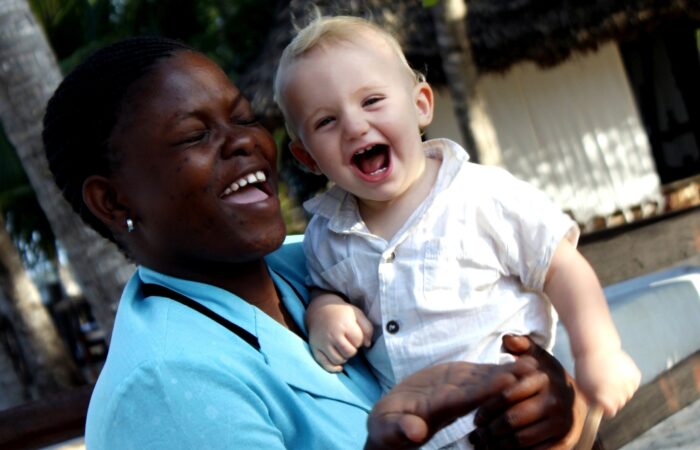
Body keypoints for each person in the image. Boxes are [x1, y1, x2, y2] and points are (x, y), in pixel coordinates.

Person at [43, 36, 586, 449]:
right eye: (195, 135)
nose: (246, 144)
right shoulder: (163, 387)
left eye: (245, 118)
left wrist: (548, 404)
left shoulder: (328, 257)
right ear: (113, 203)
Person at [273, 15, 641, 449]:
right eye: (325, 122)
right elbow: (323, 287)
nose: (354, 126)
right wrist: (325, 313)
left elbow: (561, 266)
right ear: (306, 156)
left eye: (371, 101)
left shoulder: (480, 194)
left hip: (527, 417)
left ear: (421, 104)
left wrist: (598, 350)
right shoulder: (327, 235)